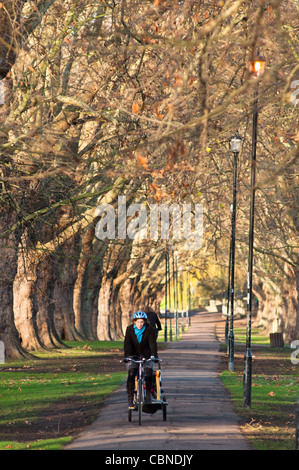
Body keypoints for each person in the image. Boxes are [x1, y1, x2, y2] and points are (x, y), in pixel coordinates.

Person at [124, 311, 158, 409]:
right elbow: (127, 343)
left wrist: (153, 356)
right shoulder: (129, 329)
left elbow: (153, 343)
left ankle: (148, 397)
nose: (140, 324)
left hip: (146, 355)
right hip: (133, 355)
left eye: (142, 322)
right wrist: (127, 356)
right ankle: (130, 398)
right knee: (131, 373)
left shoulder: (149, 329)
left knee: (148, 373)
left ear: (145, 322)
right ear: (134, 322)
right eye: (138, 322)